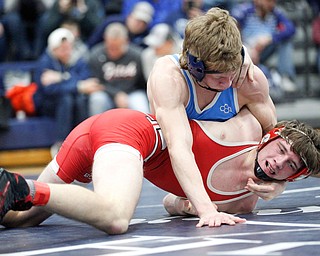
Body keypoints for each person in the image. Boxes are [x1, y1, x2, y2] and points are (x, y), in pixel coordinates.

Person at [0, 107, 319, 234]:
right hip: (131, 132)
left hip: (107, 141)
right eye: (280, 150)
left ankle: (16, 188)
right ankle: (24, 188)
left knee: (18, 219)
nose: (277, 161)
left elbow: (170, 201)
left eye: (289, 165)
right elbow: (255, 85)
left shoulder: (243, 202)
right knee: (115, 217)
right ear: (270, 136)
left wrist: (187, 205)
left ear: (294, 176)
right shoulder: (246, 127)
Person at [146, 7, 281, 226]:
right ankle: (186, 199)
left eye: (232, 72)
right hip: (175, 156)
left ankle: (179, 203)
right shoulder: (169, 78)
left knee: (246, 206)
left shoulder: (247, 78)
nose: (228, 83)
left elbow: (276, 135)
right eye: (219, 76)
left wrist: (280, 181)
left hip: (226, 159)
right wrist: (207, 210)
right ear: (195, 66)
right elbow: (178, 145)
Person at [33, 27, 103, 155]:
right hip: (48, 104)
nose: (67, 51)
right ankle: (60, 143)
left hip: (72, 101)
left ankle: (84, 140)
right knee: (66, 97)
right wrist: (76, 85)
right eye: (62, 49)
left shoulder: (77, 58)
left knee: (78, 98)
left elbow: (86, 79)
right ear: (53, 50)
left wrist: (61, 77)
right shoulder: (44, 62)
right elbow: (49, 89)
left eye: (68, 47)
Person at [231, 0, 297, 93]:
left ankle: (285, 77)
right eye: (268, 1)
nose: (271, 4)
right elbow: (231, 27)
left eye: (273, 1)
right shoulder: (244, 10)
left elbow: (291, 28)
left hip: (267, 47)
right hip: (247, 49)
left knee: (286, 42)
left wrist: (271, 38)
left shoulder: (275, 12)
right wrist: (244, 49)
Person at [88, 22, 149, 116]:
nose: (113, 51)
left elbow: (143, 83)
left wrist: (125, 96)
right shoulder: (96, 55)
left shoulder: (137, 55)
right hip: (107, 94)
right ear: (105, 39)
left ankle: (146, 130)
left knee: (141, 106)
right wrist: (116, 94)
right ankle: (97, 130)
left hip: (132, 93)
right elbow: (96, 83)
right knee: (97, 99)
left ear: (126, 41)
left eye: (117, 47)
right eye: (110, 47)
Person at [87, 1, 154, 49]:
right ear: (129, 16)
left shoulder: (147, 34)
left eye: (144, 23)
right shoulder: (112, 22)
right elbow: (92, 43)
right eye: (138, 21)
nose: (140, 25)